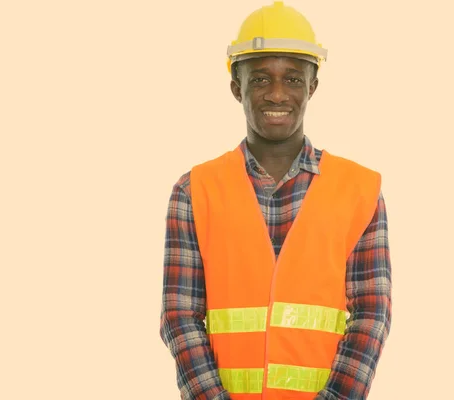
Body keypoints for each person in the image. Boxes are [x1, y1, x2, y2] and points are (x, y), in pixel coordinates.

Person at [158, 2, 392, 399]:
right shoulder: (193, 190)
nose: (278, 94)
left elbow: (372, 315)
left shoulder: (360, 190)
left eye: (294, 80)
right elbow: (179, 316)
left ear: (313, 86)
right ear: (237, 87)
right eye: (262, 79)